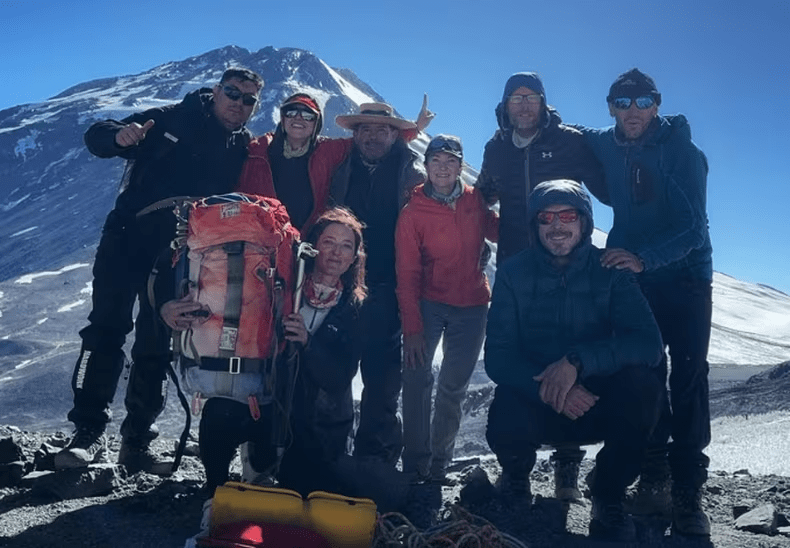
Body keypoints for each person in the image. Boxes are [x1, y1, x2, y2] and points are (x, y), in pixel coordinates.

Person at [55, 68, 263, 473]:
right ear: (216, 91)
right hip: (127, 239)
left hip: (178, 253)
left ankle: (136, 442)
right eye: (232, 93)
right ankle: (87, 431)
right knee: (106, 331)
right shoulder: (172, 118)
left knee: (156, 343)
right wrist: (120, 137)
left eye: (248, 99)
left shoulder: (242, 145)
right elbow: (98, 136)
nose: (238, 103)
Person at [484, 180, 664, 542]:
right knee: (505, 405)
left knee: (646, 383)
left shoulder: (611, 270)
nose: (557, 226)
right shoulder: (513, 273)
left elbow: (649, 344)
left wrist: (577, 362)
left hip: (595, 402)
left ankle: (608, 493)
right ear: (535, 226)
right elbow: (498, 358)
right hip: (541, 400)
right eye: (546, 218)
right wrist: (555, 388)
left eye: (567, 215)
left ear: (584, 222)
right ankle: (516, 479)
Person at [580, 68, 713, 537]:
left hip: (686, 277)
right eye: (622, 101)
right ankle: (654, 476)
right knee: (647, 369)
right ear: (611, 106)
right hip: (638, 273)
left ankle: (688, 489)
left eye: (642, 102)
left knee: (691, 372)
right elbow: (568, 135)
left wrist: (643, 258)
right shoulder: (607, 142)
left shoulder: (682, 152)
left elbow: (694, 228)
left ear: (656, 105)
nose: (632, 111)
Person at [161, 207, 367, 497]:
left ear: (355, 256)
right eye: (329, 242)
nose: (336, 253)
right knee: (218, 414)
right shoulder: (278, 286)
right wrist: (169, 308)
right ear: (313, 246)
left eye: (347, 246)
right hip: (271, 408)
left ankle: (266, 473)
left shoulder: (356, 308)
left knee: (306, 489)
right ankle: (215, 496)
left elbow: (338, 377)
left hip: (318, 426)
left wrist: (308, 343)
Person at [476, 71, 605, 500]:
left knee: (567, 355)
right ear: (505, 106)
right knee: (517, 359)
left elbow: (606, 187)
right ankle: (516, 468)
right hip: (516, 270)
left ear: (544, 103)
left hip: (569, 268)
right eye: (517, 98)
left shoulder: (569, 140)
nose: (525, 105)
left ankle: (567, 466)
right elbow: (483, 197)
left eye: (532, 97)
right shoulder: (496, 147)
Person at [395, 135, 498, 484]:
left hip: (472, 306)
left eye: (451, 161)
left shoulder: (475, 201)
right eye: (436, 161)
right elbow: (406, 273)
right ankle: (415, 462)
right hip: (429, 303)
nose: (443, 168)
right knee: (416, 378)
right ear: (425, 166)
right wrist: (411, 327)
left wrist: (519, 201)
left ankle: (439, 464)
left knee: (453, 387)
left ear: (460, 166)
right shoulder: (412, 212)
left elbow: (497, 230)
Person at [330, 103, 427, 466]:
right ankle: (330, 455)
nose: (371, 137)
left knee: (383, 380)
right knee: (334, 371)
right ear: (354, 135)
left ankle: (376, 462)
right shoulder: (340, 167)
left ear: (394, 135)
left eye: (381, 130)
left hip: (389, 285)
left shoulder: (412, 174)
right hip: (339, 284)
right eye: (365, 129)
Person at [237, 94, 433, 235]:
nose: (298, 118)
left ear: (316, 123)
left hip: (307, 243)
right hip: (262, 239)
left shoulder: (326, 150)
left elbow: (375, 144)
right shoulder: (258, 149)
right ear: (282, 118)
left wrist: (414, 129)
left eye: (307, 115)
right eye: (291, 112)